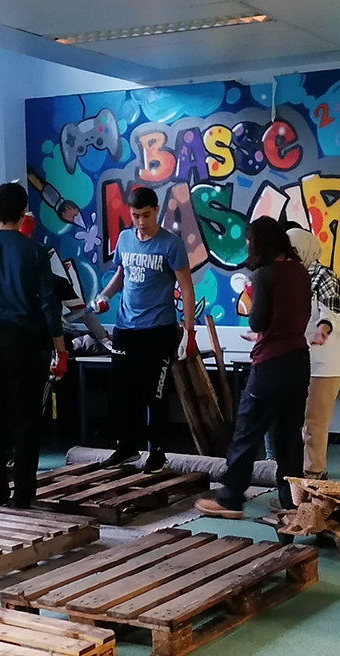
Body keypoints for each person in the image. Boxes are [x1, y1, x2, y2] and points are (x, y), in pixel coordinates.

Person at [0, 182, 67, 509]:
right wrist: (60, 349)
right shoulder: (35, 252)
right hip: (24, 341)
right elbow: (49, 306)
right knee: (26, 418)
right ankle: (23, 495)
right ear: (24, 214)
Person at [195, 218, 312, 518]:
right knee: (289, 434)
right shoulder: (300, 271)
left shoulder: (264, 275)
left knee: (247, 430)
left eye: (250, 242)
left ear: (260, 244)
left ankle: (230, 497)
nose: (248, 248)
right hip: (299, 358)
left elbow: (258, 321)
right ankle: (292, 501)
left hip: (271, 361)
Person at [92, 186, 196, 471]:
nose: (140, 221)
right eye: (136, 215)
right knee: (122, 392)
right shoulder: (125, 239)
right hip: (126, 327)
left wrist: (189, 331)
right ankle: (126, 448)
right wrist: (105, 296)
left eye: (146, 215)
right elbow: (121, 275)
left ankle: (158, 453)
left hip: (158, 328)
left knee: (155, 393)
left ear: (156, 212)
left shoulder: (170, 243)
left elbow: (186, 287)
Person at [286, 226, 340, 479]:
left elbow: (331, 311)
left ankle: (314, 475)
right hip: (300, 359)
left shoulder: (325, 276)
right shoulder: (293, 276)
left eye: (292, 250)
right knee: (299, 421)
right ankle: (297, 475)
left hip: (325, 362)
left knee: (315, 423)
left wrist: (323, 329)